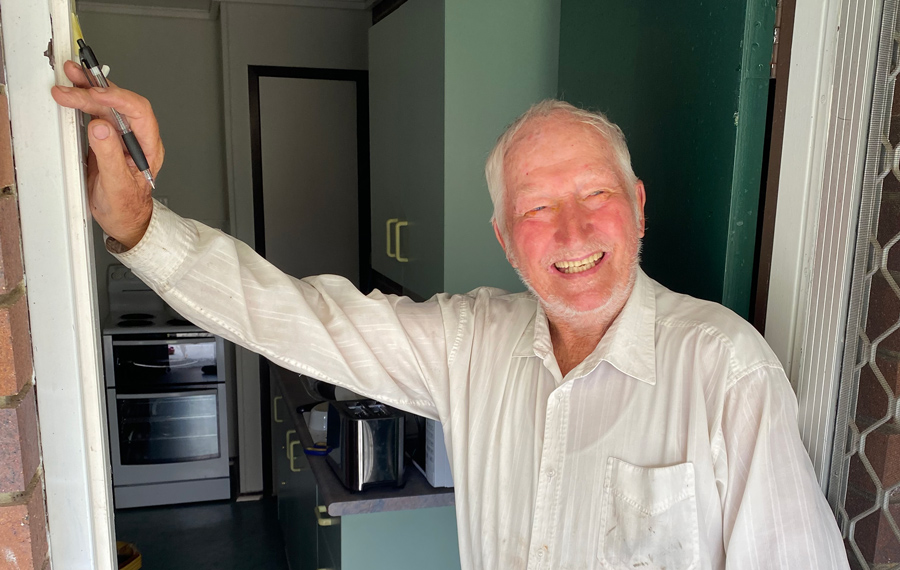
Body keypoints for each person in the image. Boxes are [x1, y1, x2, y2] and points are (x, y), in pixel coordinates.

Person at [52, 60, 849, 570]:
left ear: (637, 208)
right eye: (538, 208)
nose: (572, 233)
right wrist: (139, 227)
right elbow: (296, 317)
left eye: (597, 195)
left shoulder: (727, 371)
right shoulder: (474, 342)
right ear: (505, 239)